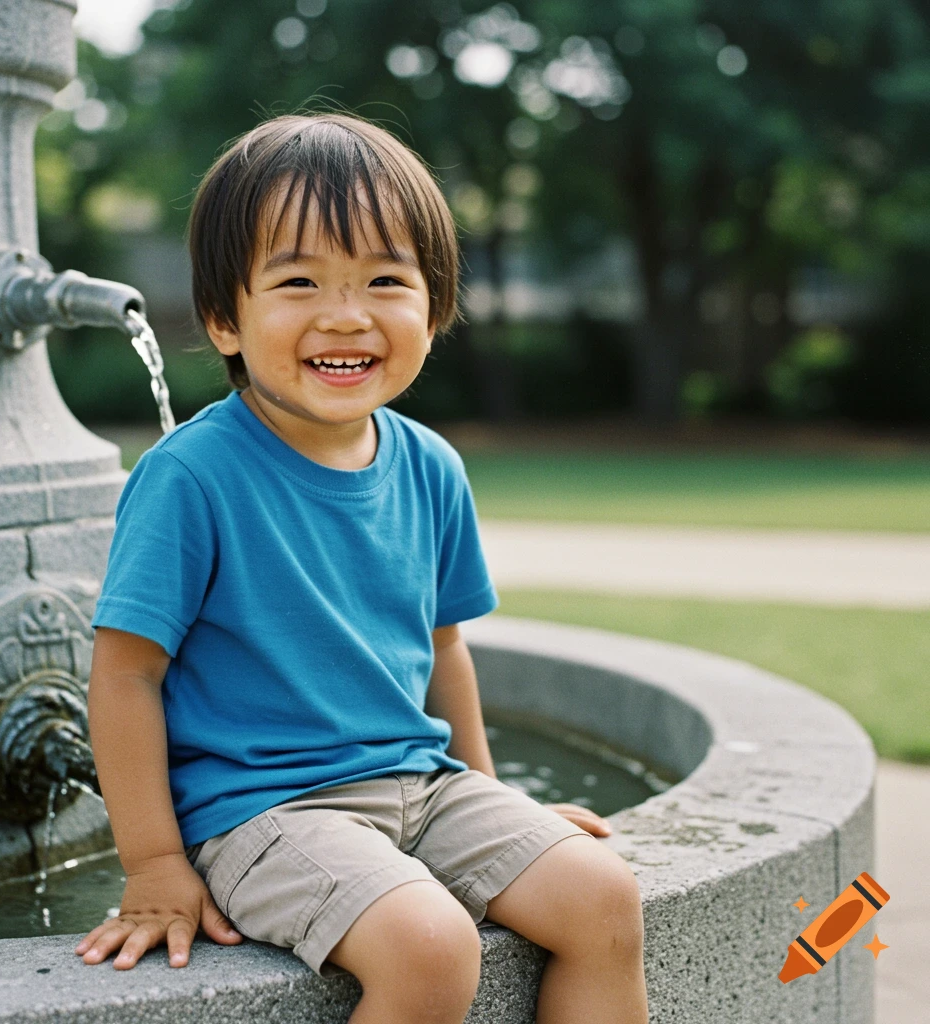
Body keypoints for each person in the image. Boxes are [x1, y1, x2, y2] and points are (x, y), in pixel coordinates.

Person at [75, 111, 649, 1024]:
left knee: (603, 895)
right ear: (226, 318)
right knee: (430, 947)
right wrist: (154, 865)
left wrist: (491, 796)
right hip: (264, 810)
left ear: (435, 307)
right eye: (298, 282)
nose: (346, 314)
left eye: (385, 280)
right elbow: (125, 676)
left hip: (422, 784)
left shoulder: (430, 466)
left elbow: (443, 650)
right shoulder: (190, 476)